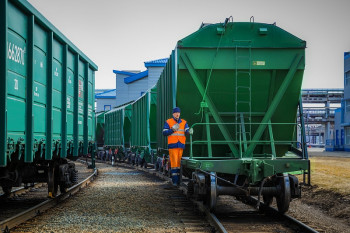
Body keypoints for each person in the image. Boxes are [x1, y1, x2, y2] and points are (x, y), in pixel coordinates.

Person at [162, 107, 193, 186]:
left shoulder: (184, 122)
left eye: (178, 113)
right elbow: (164, 133)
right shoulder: (168, 122)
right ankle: (175, 181)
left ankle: (179, 181)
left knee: (179, 164)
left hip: (180, 145)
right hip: (173, 146)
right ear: (173, 114)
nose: (177, 114)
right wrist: (172, 129)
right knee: (174, 164)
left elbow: (187, 130)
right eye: (176, 113)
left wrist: (189, 131)